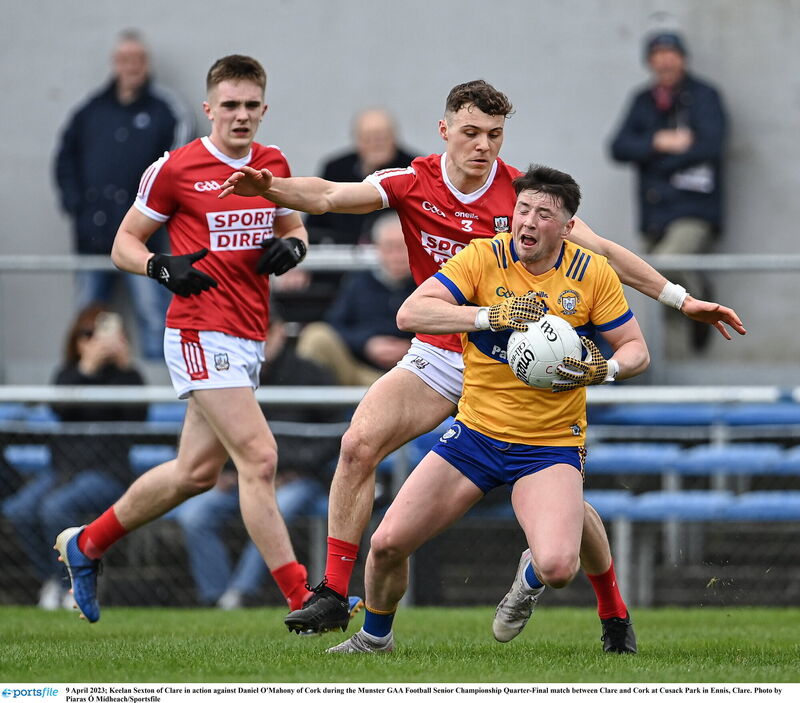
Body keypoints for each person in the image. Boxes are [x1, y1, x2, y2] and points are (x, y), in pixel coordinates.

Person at [219, 79, 744, 647]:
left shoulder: (522, 200)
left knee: (563, 523)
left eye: (494, 135)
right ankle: (332, 592)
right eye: (471, 132)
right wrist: (273, 190)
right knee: (357, 444)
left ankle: (605, 600)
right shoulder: (412, 180)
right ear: (444, 130)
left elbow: (605, 252)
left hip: (515, 371)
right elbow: (327, 196)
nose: (483, 145)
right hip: (442, 356)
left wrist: (681, 299)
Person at [327, 165, 649, 653]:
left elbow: (636, 349)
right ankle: (375, 640)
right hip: (475, 437)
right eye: (523, 209)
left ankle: (533, 576)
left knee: (558, 568)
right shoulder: (483, 256)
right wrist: (489, 316)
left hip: (548, 444)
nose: (529, 221)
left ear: (567, 228)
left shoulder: (590, 272)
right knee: (387, 543)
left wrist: (603, 370)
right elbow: (410, 313)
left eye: (544, 214)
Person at [52, 54, 327, 625]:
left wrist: (294, 247)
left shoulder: (272, 163)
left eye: (251, 105)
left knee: (195, 474)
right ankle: (303, 598)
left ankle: (86, 544)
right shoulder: (175, 168)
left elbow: (294, 224)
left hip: (247, 337)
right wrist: (160, 267)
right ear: (209, 108)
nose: (240, 115)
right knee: (260, 457)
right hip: (199, 332)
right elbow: (124, 244)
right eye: (230, 105)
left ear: (264, 109)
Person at [172, 310, 351, 609]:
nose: (256, 338)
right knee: (195, 515)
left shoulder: (310, 372)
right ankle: (215, 598)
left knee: (277, 508)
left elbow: (336, 433)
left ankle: (241, 594)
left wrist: (293, 467)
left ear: (280, 331)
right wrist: (226, 470)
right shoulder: (230, 374)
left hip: (299, 479)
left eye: (263, 330)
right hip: (241, 478)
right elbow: (215, 433)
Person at [54, 30, 194, 360]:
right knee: (87, 319)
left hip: (144, 238)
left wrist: (155, 213)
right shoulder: (91, 111)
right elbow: (64, 159)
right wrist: (77, 207)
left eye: (138, 59)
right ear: (114, 63)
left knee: (153, 314)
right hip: (93, 237)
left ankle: (157, 387)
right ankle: (82, 383)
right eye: (125, 59)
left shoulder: (166, 110)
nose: (131, 66)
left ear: (147, 63)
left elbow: (178, 164)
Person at [1, 304, 146, 610]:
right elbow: (61, 408)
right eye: (88, 334)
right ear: (77, 340)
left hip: (107, 474)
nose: (97, 341)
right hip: (64, 472)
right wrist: (87, 369)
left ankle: (76, 584)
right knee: (20, 509)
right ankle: (54, 580)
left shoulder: (126, 375)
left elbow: (138, 417)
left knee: (56, 507)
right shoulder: (69, 373)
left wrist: (125, 366)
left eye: (104, 333)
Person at [609, 31, 727, 352]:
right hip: (655, 212)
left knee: (664, 265)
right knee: (658, 290)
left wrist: (658, 162)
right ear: (649, 62)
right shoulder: (643, 100)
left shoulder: (704, 97)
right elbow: (618, 147)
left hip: (694, 208)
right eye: (657, 56)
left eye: (671, 54)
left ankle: (701, 294)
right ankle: (679, 356)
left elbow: (711, 145)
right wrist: (658, 142)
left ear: (682, 59)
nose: (665, 62)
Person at [296, 211, 416, 386]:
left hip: (418, 375)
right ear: (377, 248)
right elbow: (335, 325)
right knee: (316, 335)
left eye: (402, 247)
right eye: (389, 247)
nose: (396, 255)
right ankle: (311, 402)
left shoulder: (430, 283)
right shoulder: (359, 282)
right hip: (361, 373)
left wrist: (410, 346)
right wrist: (367, 343)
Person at [305, 109, 416, 246]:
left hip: (398, 252)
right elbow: (315, 222)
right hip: (343, 252)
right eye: (368, 138)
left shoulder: (413, 169)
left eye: (382, 137)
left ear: (394, 137)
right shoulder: (336, 169)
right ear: (357, 140)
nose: (376, 144)